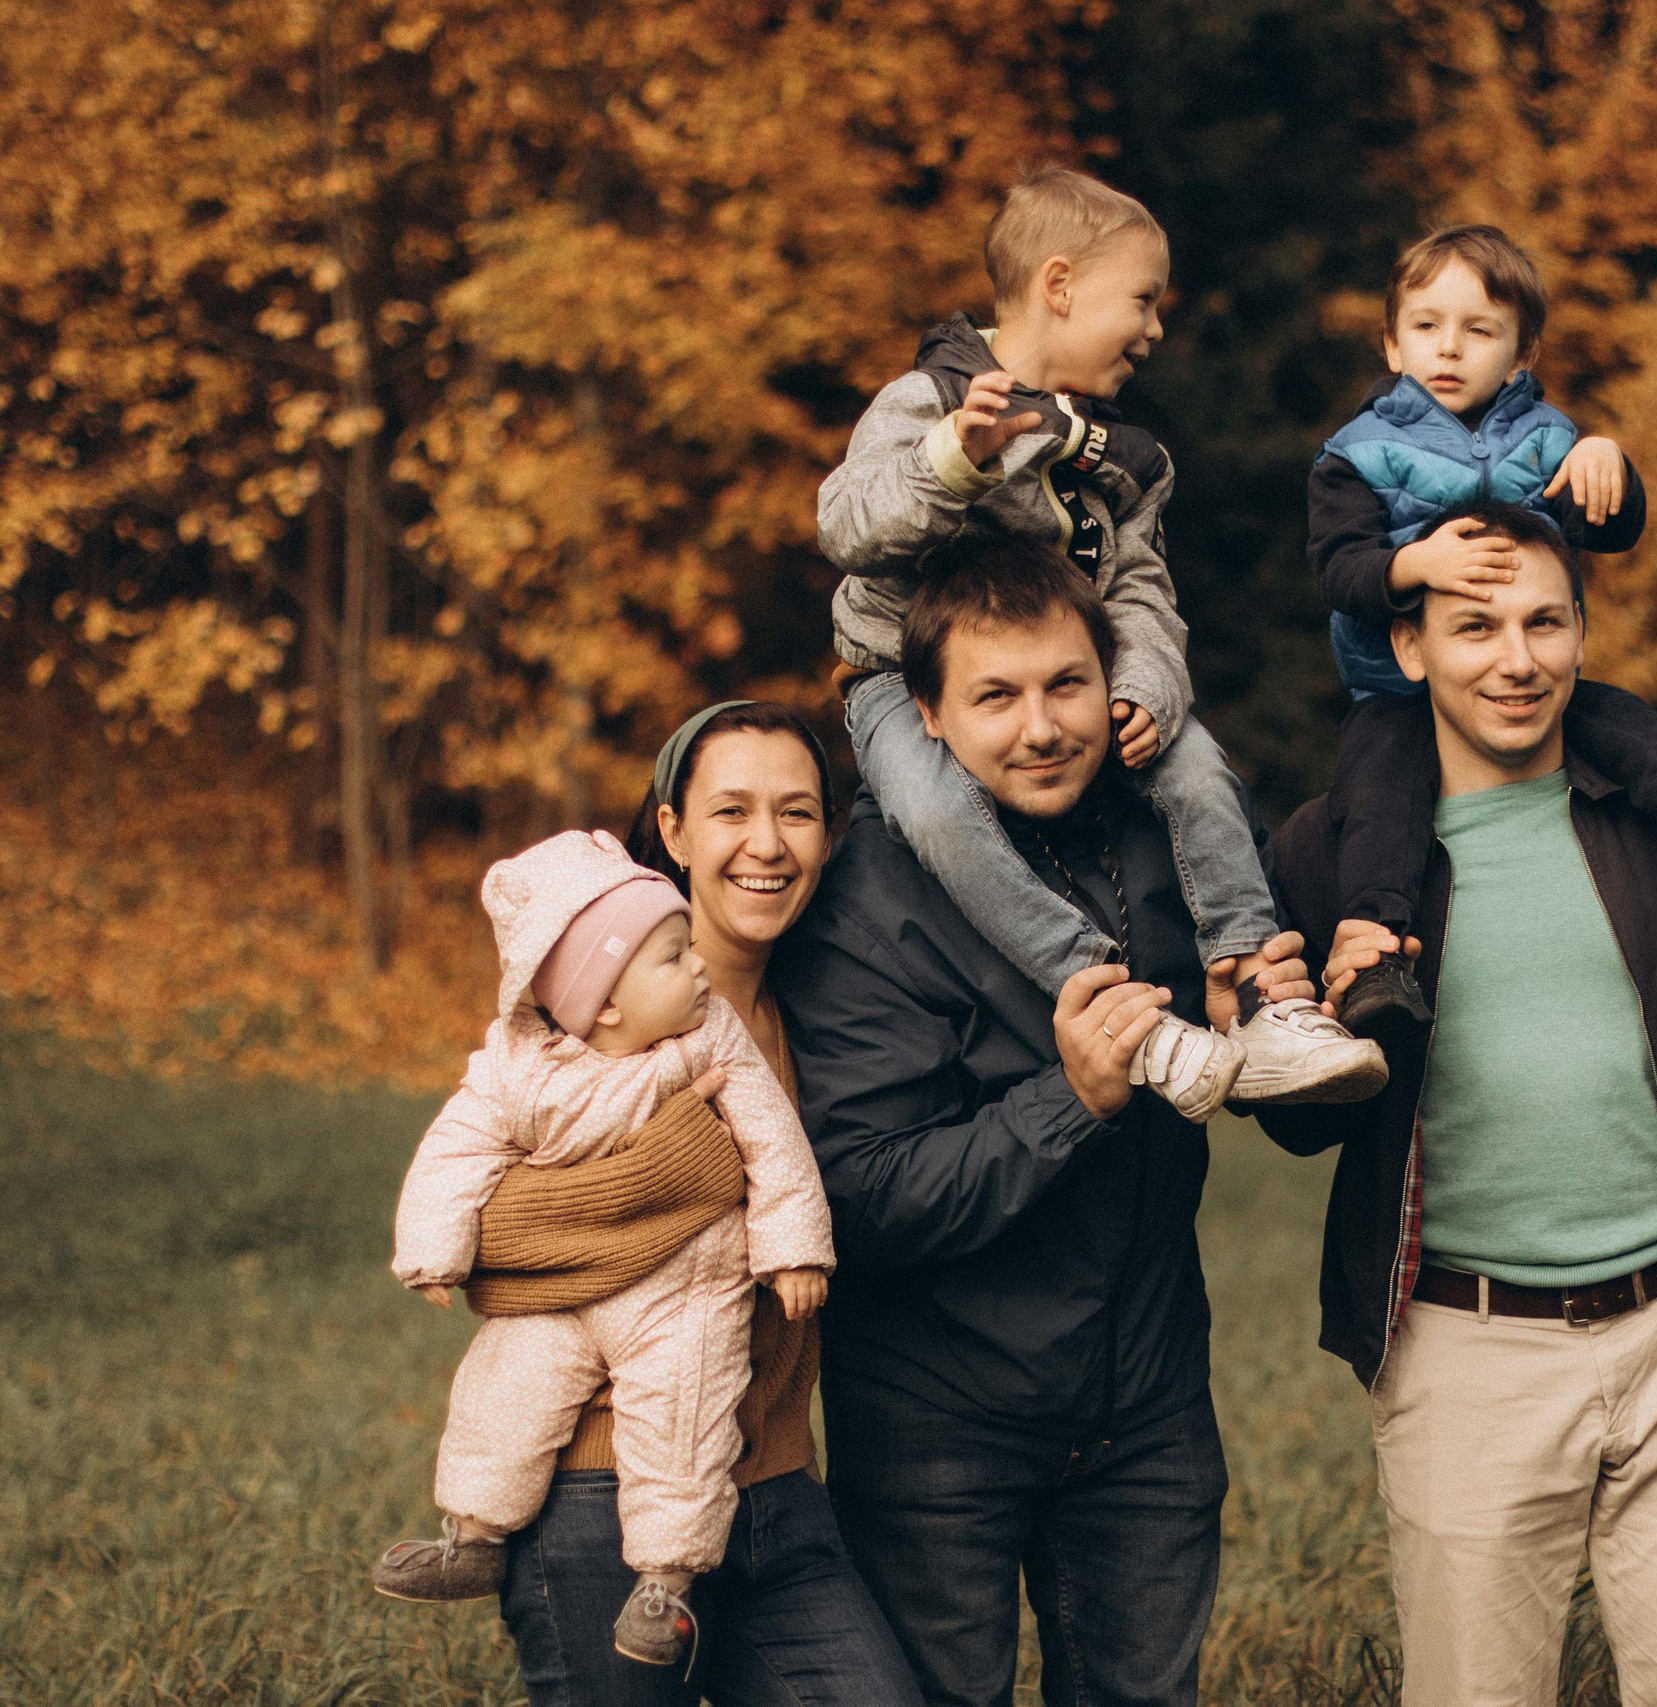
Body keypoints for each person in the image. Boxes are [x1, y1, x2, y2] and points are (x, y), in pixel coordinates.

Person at [1259, 501, 1657, 1707]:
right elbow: (1304, 1123)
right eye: (1474, 627)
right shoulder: (1332, 852)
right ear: (1409, 648)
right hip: (1464, 1351)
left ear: (1583, 634)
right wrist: (1285, 1019)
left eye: (1544, 622)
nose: (1515, 660)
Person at [769, 538, 1321, 1707]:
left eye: (1065, 685)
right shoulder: (868, 894)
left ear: (1110, 676)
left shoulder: (1183, 836)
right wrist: (1066, 1102)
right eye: (995, 697)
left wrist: (1274, 1027)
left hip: (1148, 1408)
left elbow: (1307, 1127)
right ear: (924, 713)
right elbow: (859, 1197)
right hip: (936, 1423)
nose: (1041, 728)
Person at [817, 162, 1380, 1116]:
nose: (1156, 329)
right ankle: (1127, 1014)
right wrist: (955, 460)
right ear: (1061, 285)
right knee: (943, 814)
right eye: (1145, 300)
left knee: (1199, 769)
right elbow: (845, 525)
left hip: (1080, 674)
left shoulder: (1127, 456)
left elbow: (1143, 589)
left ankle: (1252, 998)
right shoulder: (930, 400)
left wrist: (1148, 688)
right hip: (896, 678)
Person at [475, 702, 923, 1707]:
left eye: (798, 813)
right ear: (672, 831)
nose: (766, 844)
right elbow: (488, 1242)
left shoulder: (812, 1010)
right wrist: (708, 1170)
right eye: (731, 812)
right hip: (605, 1496)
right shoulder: (596, 1026)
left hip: (773, 1491)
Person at [1306, 224, 1657, 1036]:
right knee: (1381, 792)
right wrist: (1415, 564)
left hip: (1532, 685)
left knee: (1628, 725)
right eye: (1425, 326)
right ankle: (1379, 952)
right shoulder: (1358, 453)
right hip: (1395, 685)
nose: (1448, 348)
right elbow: (1337, 568)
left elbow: (1613, 525)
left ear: (1521, 355)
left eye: (1479, 330)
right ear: (1391, 344)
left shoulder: (1547, 438)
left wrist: (1608, 466)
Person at [373, 822, 835, 1670]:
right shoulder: (517, 1066)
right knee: (503, 1389)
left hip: (684, 1294)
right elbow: (456, 1150)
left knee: (683, 1416)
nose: (697, 968)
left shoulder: (711, 1039)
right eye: (672, 957)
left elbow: (774, 1142)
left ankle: (666, 1578)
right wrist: (433, 1247)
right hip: (556, 1303)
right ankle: (473, 1530)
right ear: (606, 1000)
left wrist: (793, 1247)